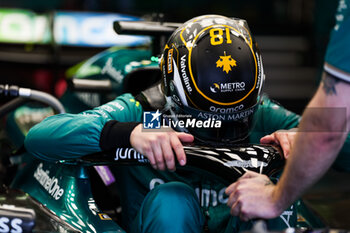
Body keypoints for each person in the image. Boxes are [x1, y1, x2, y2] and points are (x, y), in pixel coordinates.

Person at [24, 15, 308, 232]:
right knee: (172, 199)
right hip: (159, 220)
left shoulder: (262, 113)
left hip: (238, 221)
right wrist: (129, 134)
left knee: (278, 196)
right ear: (174, 96)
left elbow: (340, 139)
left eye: (235, 118)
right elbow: (39, 136)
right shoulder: (144, 111)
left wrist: (306, 139)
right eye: (207, 118)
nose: (220, 129)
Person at [225, 0, 350, 221]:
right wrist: (141, 130)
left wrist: (275, 198)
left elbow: (330, 126)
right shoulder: (149, 113)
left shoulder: (265, 113)